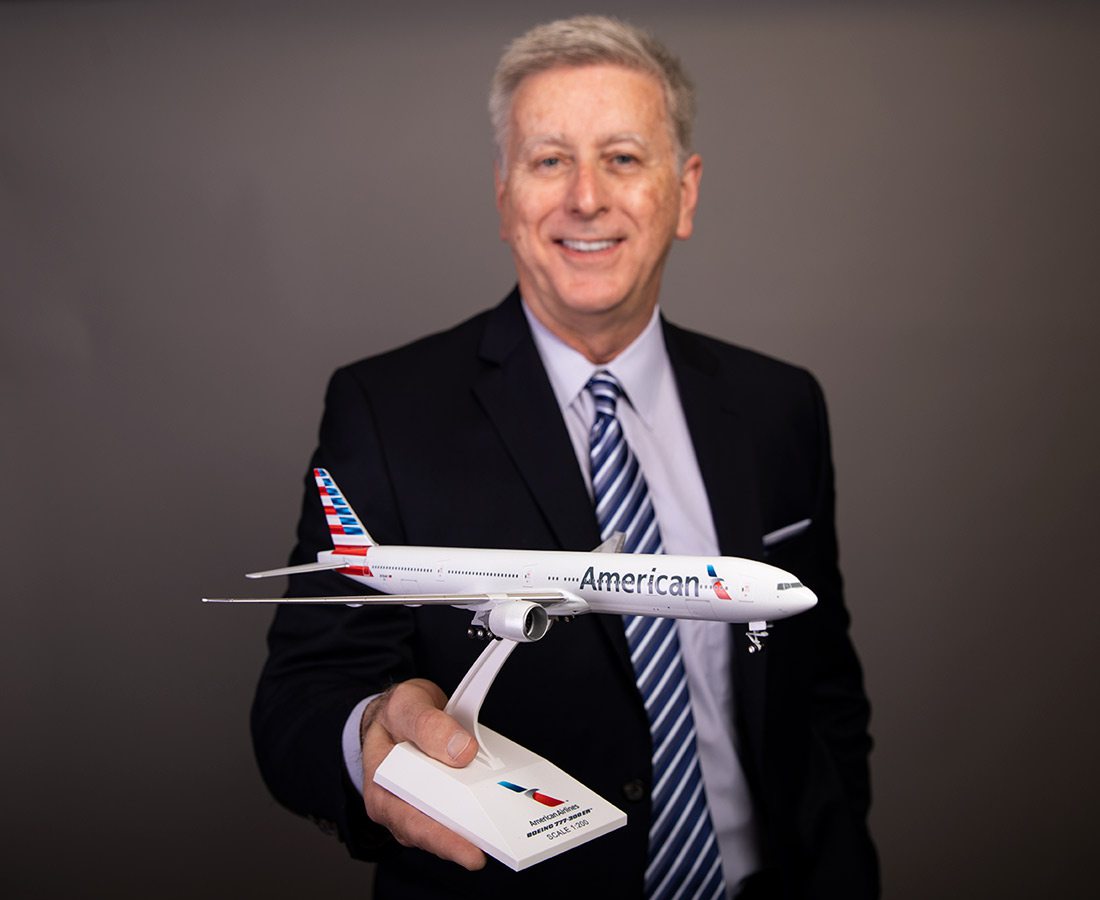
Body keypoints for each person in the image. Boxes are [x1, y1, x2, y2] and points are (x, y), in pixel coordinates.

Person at [252, 15, 878, 900]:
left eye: (623, 157)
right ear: (503, 195)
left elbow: (821, 683)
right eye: (549, 160)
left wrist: (843, 863)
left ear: (685, 192)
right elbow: (300, 698)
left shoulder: (780, 406)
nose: (586, 197)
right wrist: (371, 737)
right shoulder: (385, 410)